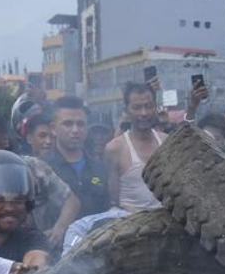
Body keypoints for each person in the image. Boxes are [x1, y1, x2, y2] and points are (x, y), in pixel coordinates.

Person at [0, 109, 79, 245]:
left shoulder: (33, 168)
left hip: (36, 250)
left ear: (4, 140)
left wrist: (59, 229)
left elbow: (71, 201)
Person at [44, 96, 109, 219]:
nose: (75, 130)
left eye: (80, 124)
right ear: (53, 129)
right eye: (68, 124)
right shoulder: (42, 169)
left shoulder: (99, 169)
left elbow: (106, 211)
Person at [105, 82, 165, 213]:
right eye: (137, 108)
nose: (143, 113)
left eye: (148, 106)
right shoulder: (115, 148)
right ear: (126, 110)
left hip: (166, 223)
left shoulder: (167, 142)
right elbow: (113, 199)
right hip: (129, 224)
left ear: (155, 108)